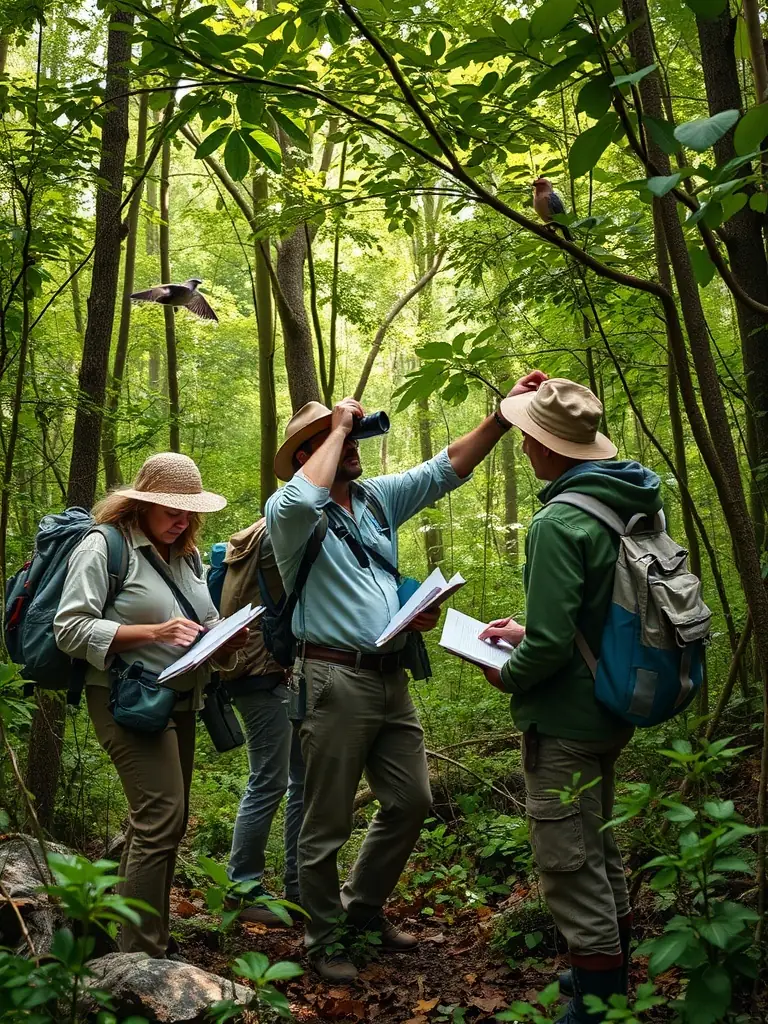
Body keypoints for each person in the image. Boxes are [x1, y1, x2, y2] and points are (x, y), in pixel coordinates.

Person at [266, 396, 515, 982]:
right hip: (331, 680)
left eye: (349, 437)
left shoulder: (375, 499)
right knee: (325, 822)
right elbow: (303, 494)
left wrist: (501, 419)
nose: (351, 445)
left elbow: (445, 468)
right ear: (309, 454)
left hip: (389, 674)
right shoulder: (290, 511)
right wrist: (339, 426)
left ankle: (362, 908)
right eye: (336, 440)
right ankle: (324, 937)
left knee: (411, 801)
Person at [477, 374, 662, 1024]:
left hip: (564, 723)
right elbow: (595, 613)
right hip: (612, 707)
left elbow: (552, 647)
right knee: (599, 851)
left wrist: (509, 670)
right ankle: (602, 976)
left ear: (550, 447)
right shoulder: (626, 504)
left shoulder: (560, 520)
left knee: (567, 867)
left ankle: (599, 1006)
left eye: (529, 436)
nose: (523, 446)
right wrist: (531, 632)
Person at [54, 453, 248, 959]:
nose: (182, 519)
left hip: (180, 700)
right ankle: (141, 956)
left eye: (189, 511)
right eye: (171, 509)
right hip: (124, 699)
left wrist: (221, 640)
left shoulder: (185, 553)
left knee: (167, 821)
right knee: (161, 814)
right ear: (141, 501)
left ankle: (119, 934)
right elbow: (70, 628)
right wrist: (153, 632)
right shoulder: (103, 546)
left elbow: (203, 619)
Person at [219, 521, 304, 924]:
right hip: (263, 673)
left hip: (259, 672)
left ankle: (299, 887)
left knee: (298, 778)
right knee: (270, 780)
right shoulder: (281, 534)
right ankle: (242, 891)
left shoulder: (255, 533)